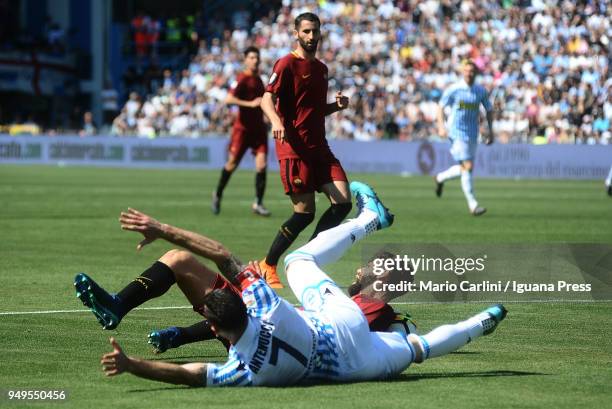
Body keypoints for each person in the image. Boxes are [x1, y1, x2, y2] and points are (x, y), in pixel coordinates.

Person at [88, 182, 507, 386]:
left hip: (349, 367)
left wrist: (130, 365)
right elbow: (218, 251)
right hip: (342, 324)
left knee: (420, 349)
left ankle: (481, 323)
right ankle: (369, 220)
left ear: (216, 330)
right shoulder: (265, 306)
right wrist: (161, 228)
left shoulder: (246, 370)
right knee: (297, 260)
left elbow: (192, 375)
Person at [147, 249, 417, 354]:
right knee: (180, 262)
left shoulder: (374, 309)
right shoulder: (360, 306)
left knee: (182, 262)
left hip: (268, 338)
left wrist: (260, 287)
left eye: (368, 265)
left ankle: (175, 334)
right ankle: (176, 336)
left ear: (384, 275)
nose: (359, 270)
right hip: (265, 331)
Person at [257, 12, 354, 289]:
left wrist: (336, 106)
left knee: (343, 203)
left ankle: (306, 255)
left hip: (319, 147)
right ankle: (269, 264)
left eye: (315, 32)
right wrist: (276, 120)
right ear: (296, 33)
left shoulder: (322, 69)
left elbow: (312, 111)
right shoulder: (287, 63)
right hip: (294, 148)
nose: (311, 37)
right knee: (305, 212)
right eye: (306, 32)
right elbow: (266, 98)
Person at [212, 46, 271, 217]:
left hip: (259, 129)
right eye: (252, 57)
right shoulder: (242, 79)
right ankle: (217, 193)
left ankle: (258, 203)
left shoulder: (260, 80)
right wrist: (250, 103)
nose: (255, 60)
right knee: (231, 165)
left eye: (257, 57)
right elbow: (228, 99)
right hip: (242, 130)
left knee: (262, 165)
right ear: (245, 60)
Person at [434, 60, 494, 216]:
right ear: (462, 72)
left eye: (472, 71)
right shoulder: (454, 89)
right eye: (466, 70)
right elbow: (440, 106)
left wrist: (491, 131)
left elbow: (489, 109)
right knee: (467, 166)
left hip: (472, 133)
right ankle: (473, 204)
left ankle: (440, 178)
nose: (469, 73)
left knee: (466, 168)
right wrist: (441, 126)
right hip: (456, 132)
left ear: (476, 73)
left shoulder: (480, 91)